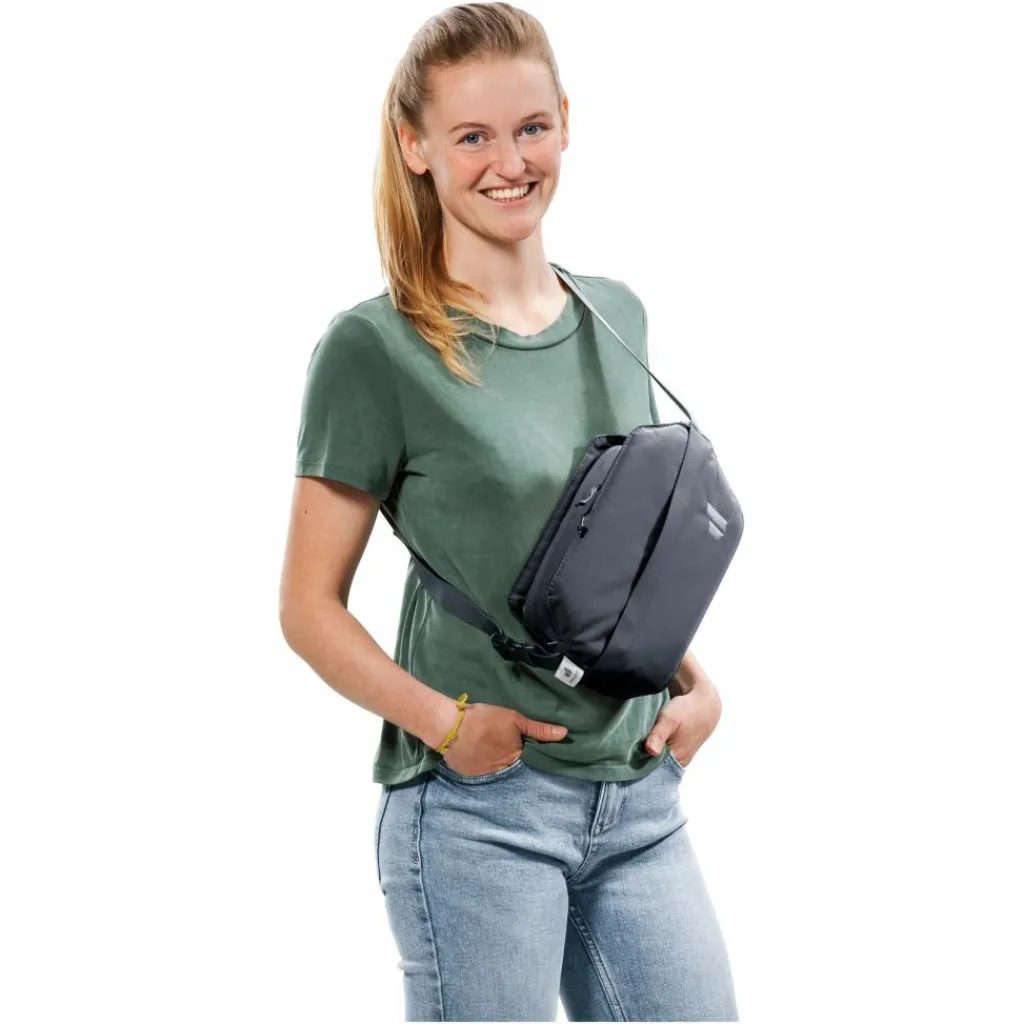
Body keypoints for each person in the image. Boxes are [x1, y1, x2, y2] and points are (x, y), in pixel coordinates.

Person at [279, 3, 739, 1020]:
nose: (510, 162)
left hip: (639, 796)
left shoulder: (616, 313)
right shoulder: (376, 350)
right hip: (481, 811)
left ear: (566, 119)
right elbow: (307, 608)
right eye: (472, 137)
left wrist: (695, 682)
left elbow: (616, 564)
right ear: (416, 148)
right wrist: (447, 725)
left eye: (531, 127)